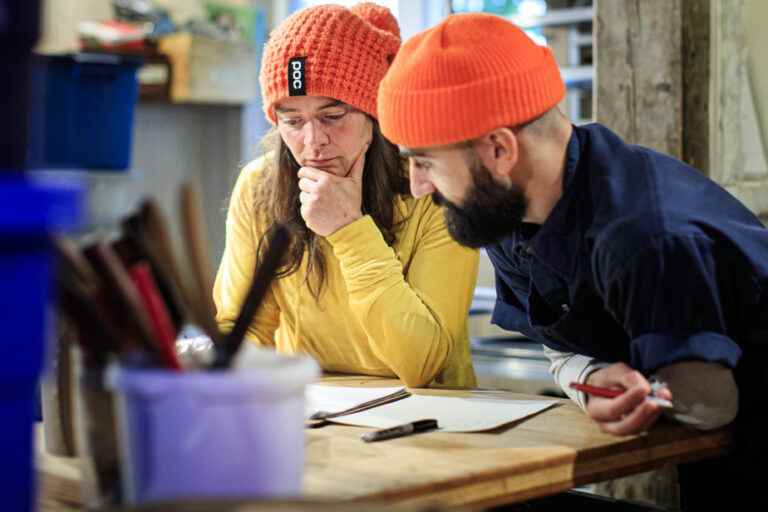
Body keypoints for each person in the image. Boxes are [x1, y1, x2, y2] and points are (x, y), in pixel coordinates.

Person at [376, 12, 768, 508]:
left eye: (425, 161)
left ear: (499, 148)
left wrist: (647, 389)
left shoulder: (643, 237)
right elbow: (560, 352)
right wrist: (591, 378)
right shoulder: (508, 212)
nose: (416, 186)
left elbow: (709, 402)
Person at [213, 3, 478, 388]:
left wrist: (350, 229)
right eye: (292, 121)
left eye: (333, 116)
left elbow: (422, 364)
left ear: (375, 113)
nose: (313, 142)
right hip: (318, 416)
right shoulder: (259, 188)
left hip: (432, 419)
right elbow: (245, 327)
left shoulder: (434, 186)